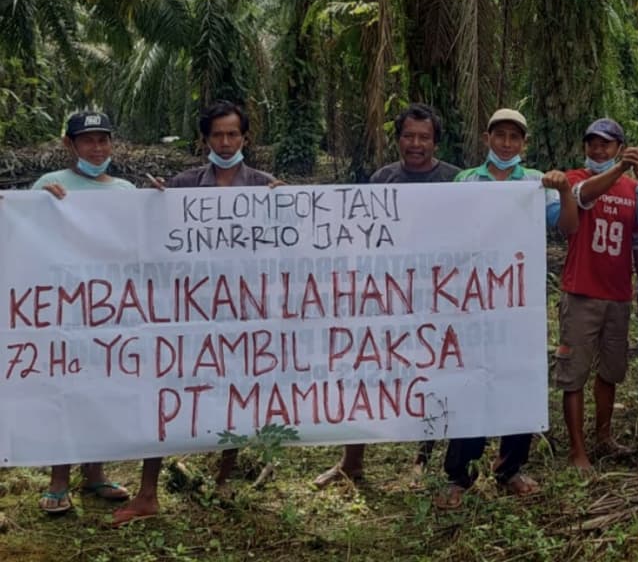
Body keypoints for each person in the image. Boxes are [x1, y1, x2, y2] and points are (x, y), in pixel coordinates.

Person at [113, 100, 278, 526]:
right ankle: (147, 492)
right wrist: (153, 204)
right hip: (184, 311)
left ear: (245, 138)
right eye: (217, 135)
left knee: (237, 390)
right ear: (204, 139)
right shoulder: (182, 186)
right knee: (164, 392)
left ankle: (224, 478)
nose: (225, 142)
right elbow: (150, 237)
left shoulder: (265, 186)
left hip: (243, 310)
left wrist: (286, 203)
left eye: (233, 134)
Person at [435, 108, 579, 508]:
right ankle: (459, 474)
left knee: (520, 379)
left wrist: (565, 189)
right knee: (470, 382)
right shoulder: (466, 181)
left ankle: (510, 467)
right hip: (473, 298)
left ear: (524, 144)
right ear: (487, 139)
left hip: (521, 300)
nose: (506, 144)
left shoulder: (536, 183)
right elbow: (444, 229)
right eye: (500, 136)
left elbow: (568, 228)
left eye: (515, 138)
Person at [314, 103, 462, 489]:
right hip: (382, 296)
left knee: (433, 373)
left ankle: (422, 459)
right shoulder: (382, 179)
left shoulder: (457, 183)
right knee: (363, 368)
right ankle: (352, 461)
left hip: (437, 297)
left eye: (424, 137)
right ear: (398, 139)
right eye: (409, 136)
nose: (416, 144)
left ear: (435, 141)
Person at [30, 110, 135, 515]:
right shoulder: (49, 186)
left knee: (105, 391)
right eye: (88, 140)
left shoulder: (127, 191)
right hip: (65, 311)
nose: (97, 148)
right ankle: (58, 480)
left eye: (103, 139)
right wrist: (41, 205)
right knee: (66, 391)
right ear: (69, 145)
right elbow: (25, 235)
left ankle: (95, 473)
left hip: (113, 312)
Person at [556, 118, 638, 471]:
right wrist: (621, 168)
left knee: (610, 371)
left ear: (619, 148)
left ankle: (604, 436)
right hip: (581, 291)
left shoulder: (631, 190)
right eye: (592, 143)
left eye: (606, 144)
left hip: (618, 293)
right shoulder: (576, 179)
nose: (598, 149)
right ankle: (578, 451)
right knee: (574, 374)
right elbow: (584, 197)